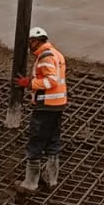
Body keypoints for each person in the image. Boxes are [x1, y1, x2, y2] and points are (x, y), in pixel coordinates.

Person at [14, 25, 67, 192]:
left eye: (30, 42)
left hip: (46, 106)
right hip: (58, 105)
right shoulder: (56, 54)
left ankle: (30, 183)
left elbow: (51, 80)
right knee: (52, 141)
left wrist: (29, 84)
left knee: (36, 142)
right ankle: (52, 179)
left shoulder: (45, 57)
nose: (29, 46)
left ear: (35, 41)